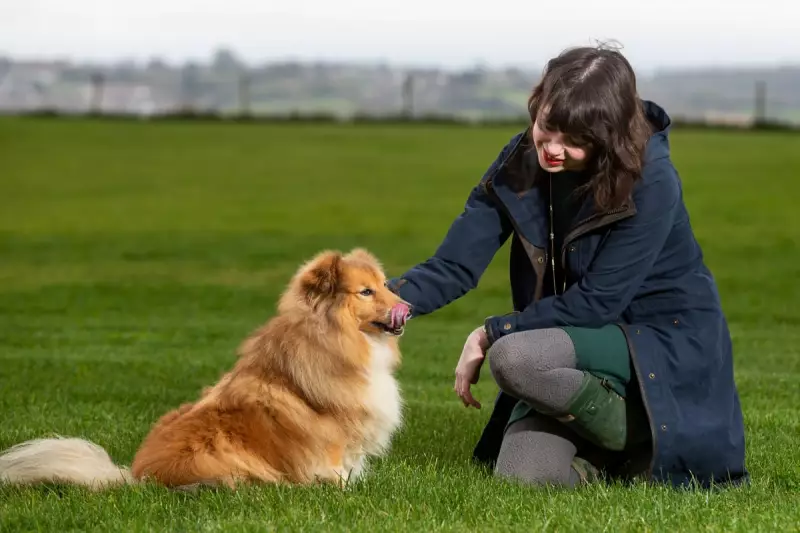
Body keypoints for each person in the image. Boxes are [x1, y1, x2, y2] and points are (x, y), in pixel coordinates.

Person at [386, 44, 748, 489]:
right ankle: (614, 457)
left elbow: (598, 302)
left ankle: (642, 434)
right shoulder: (519, 162)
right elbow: (454, 264)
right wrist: (375, 304)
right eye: (548, 127)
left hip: (655, 341)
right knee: (523, 477)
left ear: (609, 136)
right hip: (570, 343)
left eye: (576, 141)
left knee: (513, 357)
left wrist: (490, 332)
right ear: (537, 106)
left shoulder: (652, 179)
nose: (554, 149)